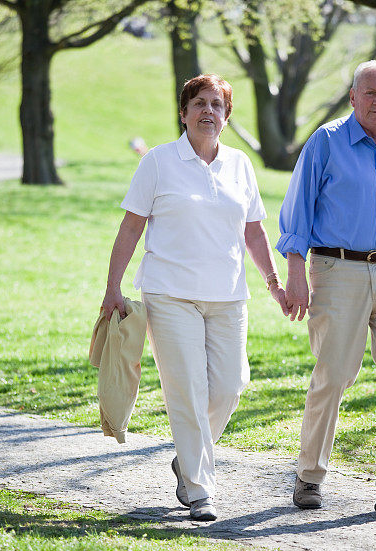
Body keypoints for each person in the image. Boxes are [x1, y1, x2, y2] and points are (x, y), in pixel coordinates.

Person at [100, 74, 288, 522]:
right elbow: (131, 227)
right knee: (186, 391)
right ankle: (201, 490)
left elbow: (254, 230)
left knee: (229, 386)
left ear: (226, 116)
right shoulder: (158, 163)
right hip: (170, 294)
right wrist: (113, 288)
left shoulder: (241, 164)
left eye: (217, 105)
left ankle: (186, 461)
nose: (208, 111)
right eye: (199, 103)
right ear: (183, 113)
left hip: (228, 296)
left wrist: (274, 283)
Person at [277, 60, 376, 519]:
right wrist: (294, 274)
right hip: (336, 269)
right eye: (370, 93)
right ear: (352, 97)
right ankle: (309, 474)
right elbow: (298, 210)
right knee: (335, 373)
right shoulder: (326, 142)